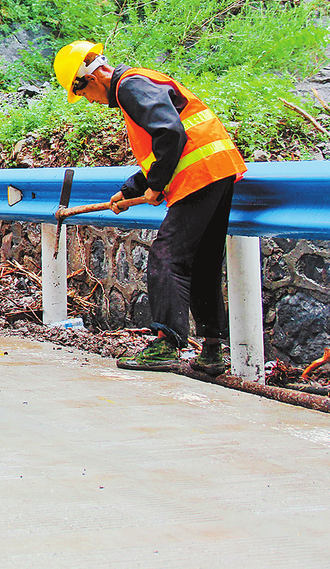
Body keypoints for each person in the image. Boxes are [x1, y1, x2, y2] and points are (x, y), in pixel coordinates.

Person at [53, 40, 247, 375]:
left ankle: (165, 344)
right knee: (201, 261)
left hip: (199, 174)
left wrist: (157, 185)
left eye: (84, 94)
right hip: (217, 170)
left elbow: (170, 134)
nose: (91, 101)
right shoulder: (139, 84)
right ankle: (212, 352)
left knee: (166, 256)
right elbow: (163, 146)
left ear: (92, 79)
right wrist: (132, 188)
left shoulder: (130, 86)